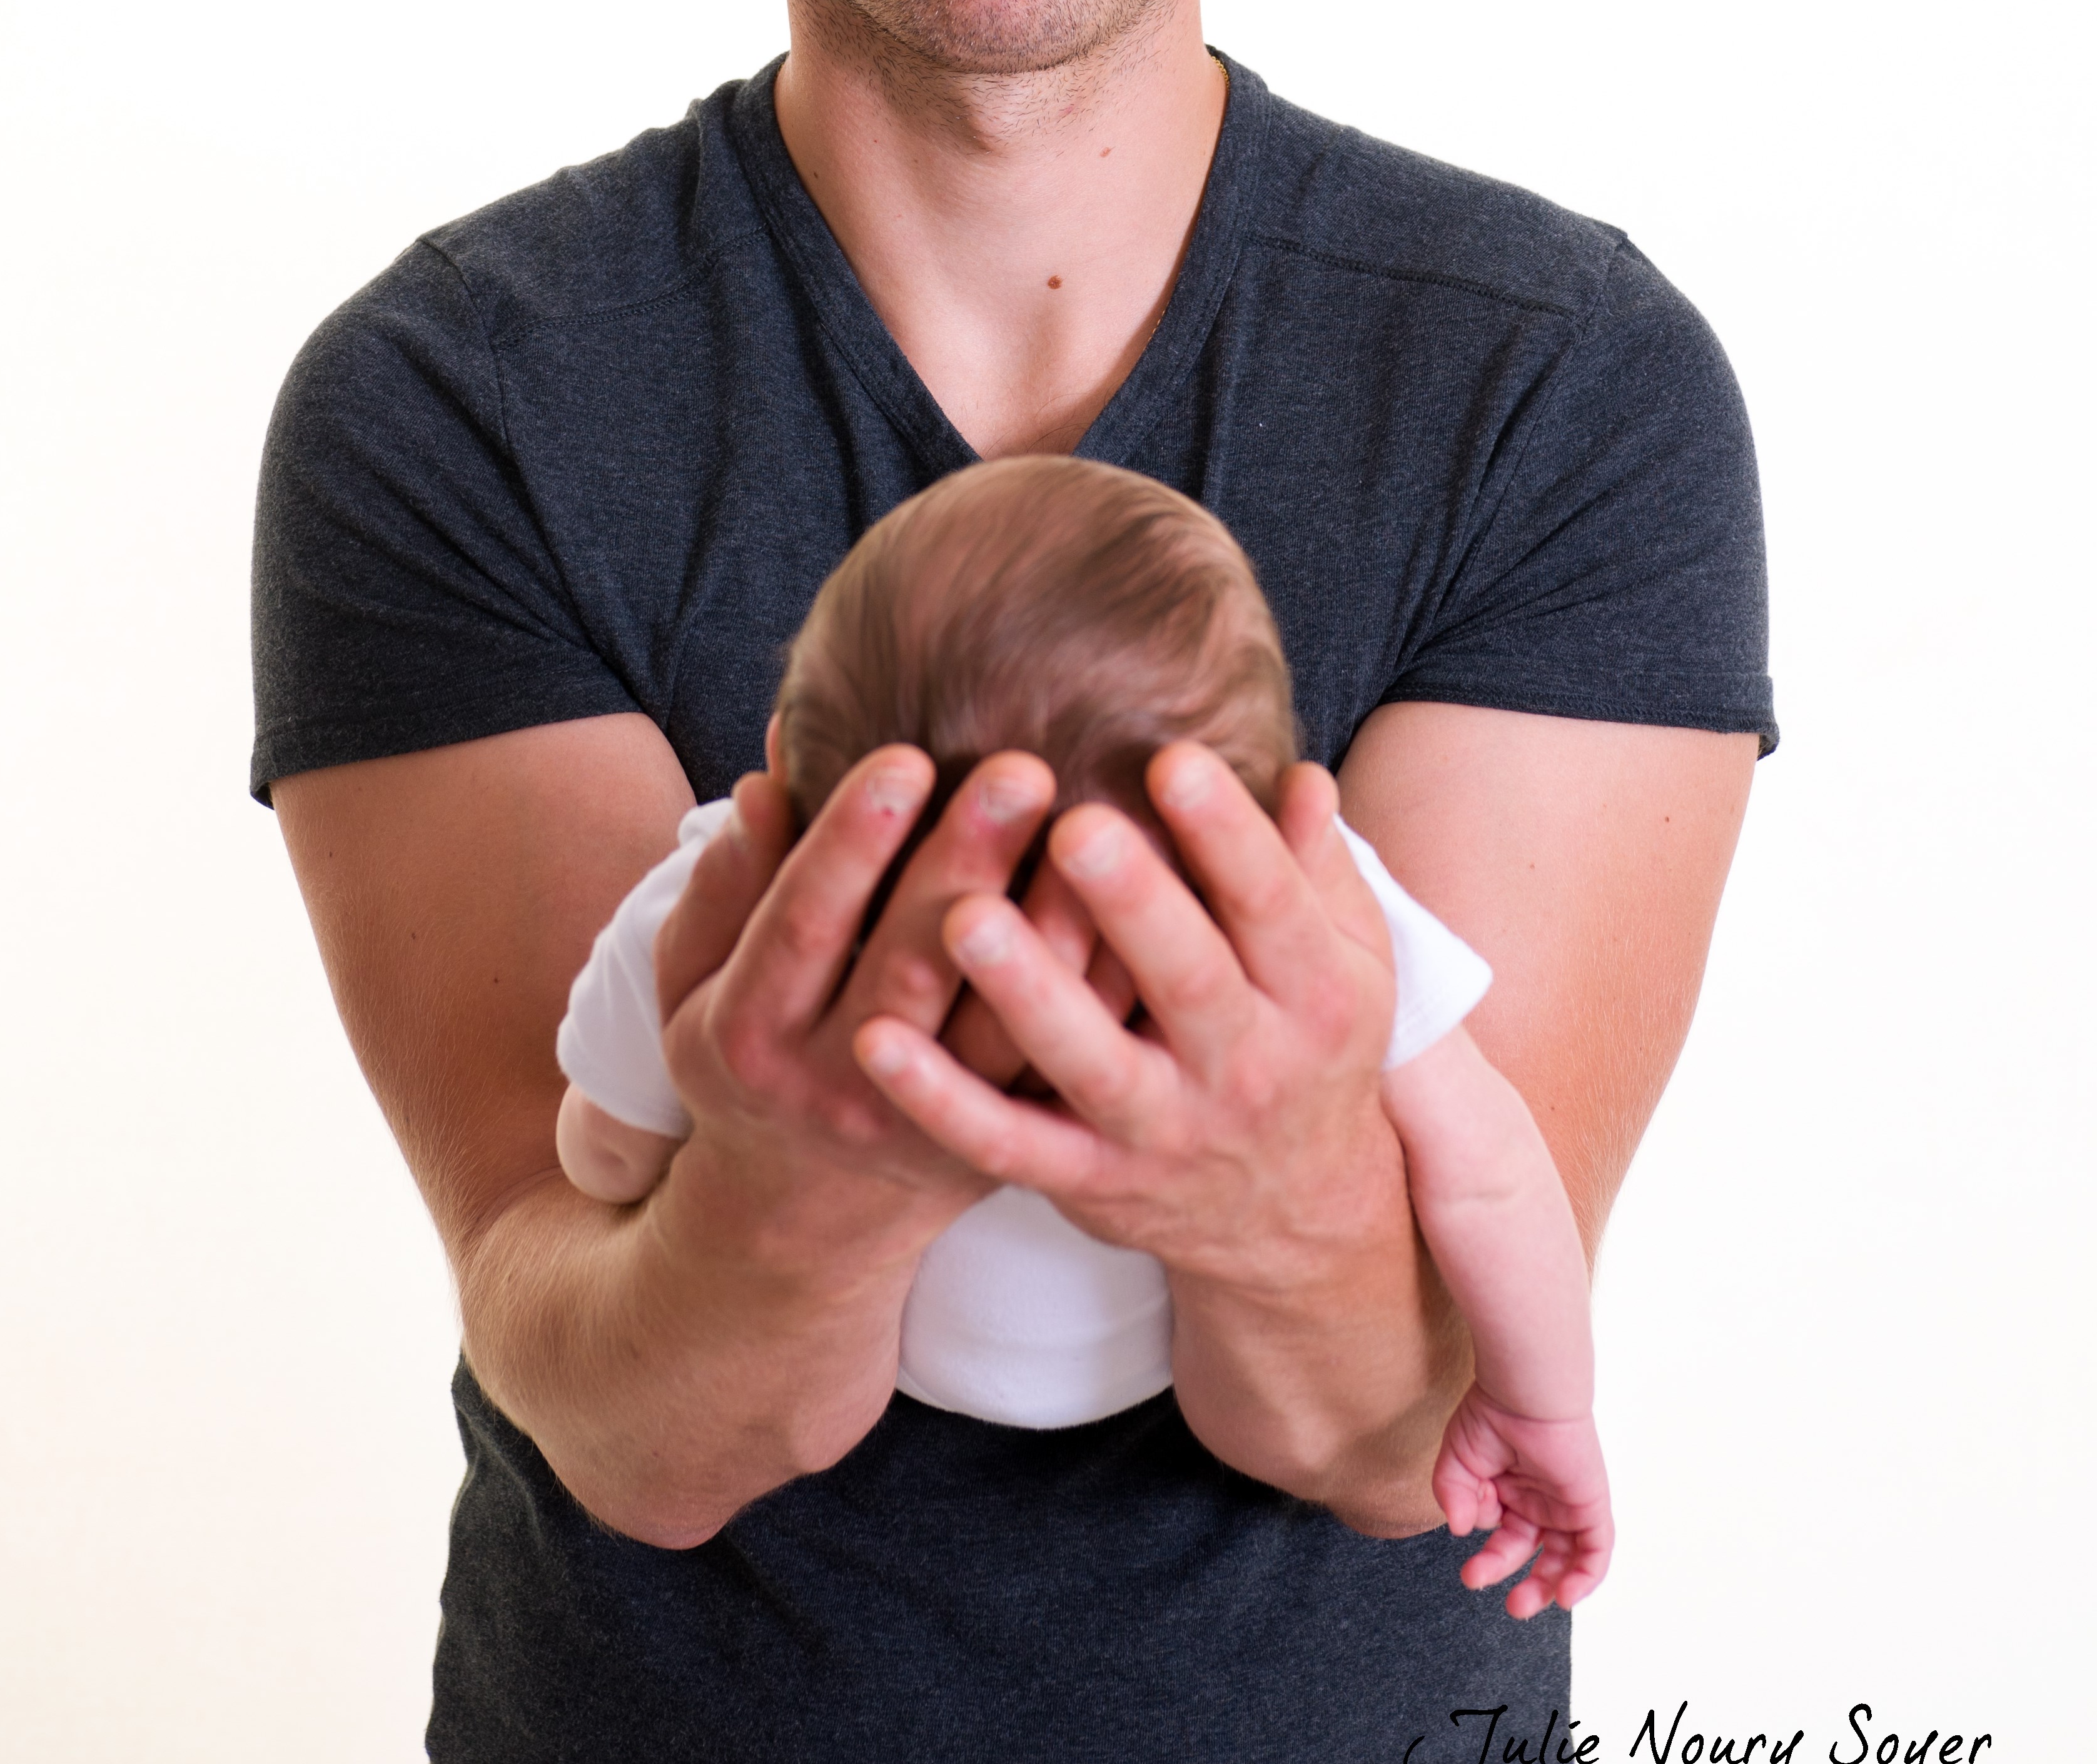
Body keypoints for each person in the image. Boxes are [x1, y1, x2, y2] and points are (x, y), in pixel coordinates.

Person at [254, 0, 1774, 1764]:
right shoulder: (455, 402)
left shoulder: (1557, 388)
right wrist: (805, 1175)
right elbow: (624, 1405)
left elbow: (1388, 1426)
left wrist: (1262, 1185)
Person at [555, 454, 1614, 1618]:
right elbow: (1488, 1173)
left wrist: (687, 1150)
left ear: (788, 762)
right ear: (1257, 799)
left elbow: (601, 1153)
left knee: (815, 1379)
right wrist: (1542, 1407)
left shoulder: (729, 895)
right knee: (1219, 1406)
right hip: (1176, 1393)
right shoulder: (1311, 909)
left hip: (880, 1410)